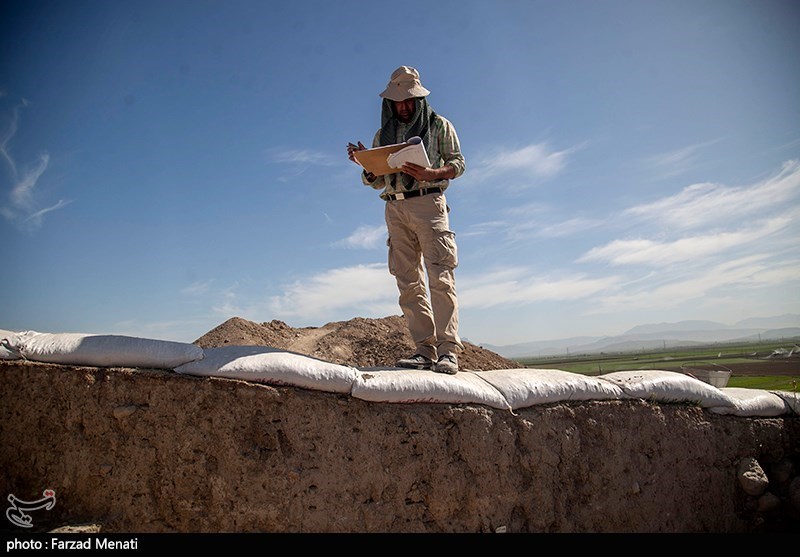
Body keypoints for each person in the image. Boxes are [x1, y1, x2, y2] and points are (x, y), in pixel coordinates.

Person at [347, 66, 466, 374]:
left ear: (418, 99)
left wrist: (432, 173)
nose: (402, 106)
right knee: (408, 281)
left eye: (408, 100)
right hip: (394, 208)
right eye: (397, 101)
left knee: (440, 277)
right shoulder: (382, 135)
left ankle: (448, 352)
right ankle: (424, 350)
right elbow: (376, 181)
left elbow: (458, 164)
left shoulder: (439, 125)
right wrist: (366, 164)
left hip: (429, 203)